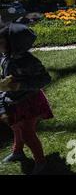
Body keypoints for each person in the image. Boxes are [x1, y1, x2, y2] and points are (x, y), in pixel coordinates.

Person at [0, 23, 52, 175]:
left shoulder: (28, 61)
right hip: (13, 101)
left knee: (27, 134)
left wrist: (21, 85)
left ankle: (41, 161)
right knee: (16, 127)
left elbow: (45, 79)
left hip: (29, 103)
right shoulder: (7, 57)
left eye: (1, 42)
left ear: (14, 44)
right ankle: (18, 152)